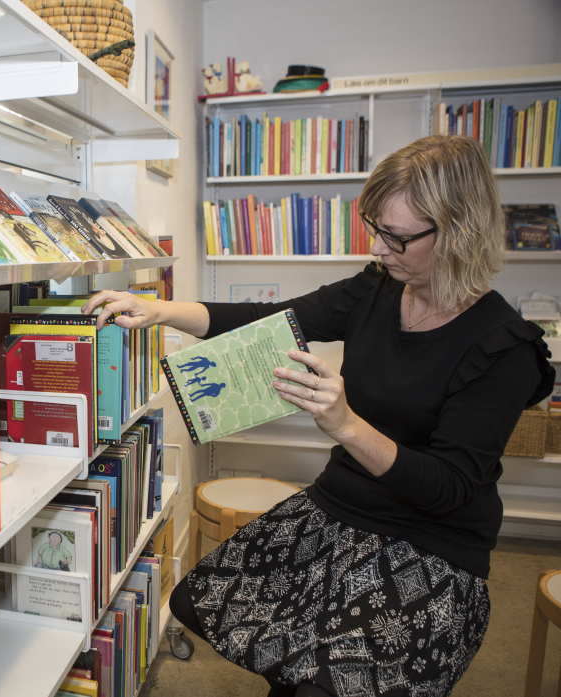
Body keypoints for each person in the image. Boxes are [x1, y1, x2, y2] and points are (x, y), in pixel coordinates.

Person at [81, 135, 555, 697]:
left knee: (321, 682)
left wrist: (346, 424)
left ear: (458, 231)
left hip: (430, 543)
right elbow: (269, 319)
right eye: (375, 228)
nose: (379, 248)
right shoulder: (378, 288)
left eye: (397, 237)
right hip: (340, 508)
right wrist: (160, 310)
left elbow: (448, 488)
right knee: (199, 601)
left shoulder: (503, 348)